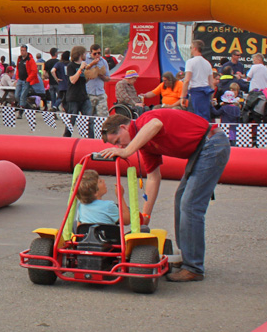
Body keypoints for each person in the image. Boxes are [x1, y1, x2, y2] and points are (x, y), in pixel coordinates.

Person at [98, 110, 231, 283]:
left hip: (211, 144)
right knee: (180, 199)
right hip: (202, 150)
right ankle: (187, 257)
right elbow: (153, 178)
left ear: (123, 127)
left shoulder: (145, 121)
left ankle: (193, 267)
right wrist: (145, 217)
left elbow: (156, 124)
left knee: (190, 205)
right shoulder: (145, 145)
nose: (120, 147)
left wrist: (127, 151)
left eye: (118, 141)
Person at [180, 39, 215, 120]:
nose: (190, 50)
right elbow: (211, 84)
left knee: (193, 118)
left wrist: (183, 96)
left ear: (195, 48)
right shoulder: (207, 63)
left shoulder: (190, 62)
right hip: (206, 93)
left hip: (196, 92)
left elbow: (187, 80)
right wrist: (211, 99)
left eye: (191, 47)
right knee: (204, 118)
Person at [61, 46, 89, 136]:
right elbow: (72, 80)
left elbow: (84, 80)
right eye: (84, 53)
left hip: (84, 96)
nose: (86, 55)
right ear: (80, 54)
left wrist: (90, 74)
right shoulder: (71, 66)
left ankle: (91, 139)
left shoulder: (84, 66)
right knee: (71, 120)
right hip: (73, 97)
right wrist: (80, 69)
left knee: (89, 119)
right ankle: (66, 138)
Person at [82, 45, 110, 120]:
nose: (97, 55)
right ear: (91, 53)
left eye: (99, 53)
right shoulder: (85, 60)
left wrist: (101, 76)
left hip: (100, 92)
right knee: (89, 117)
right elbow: (81, 72)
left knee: (103, 116)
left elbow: (108, 78)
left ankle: (101, 127)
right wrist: (92, 64)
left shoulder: (103, 61)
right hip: (89, 92)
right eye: (95, 53)